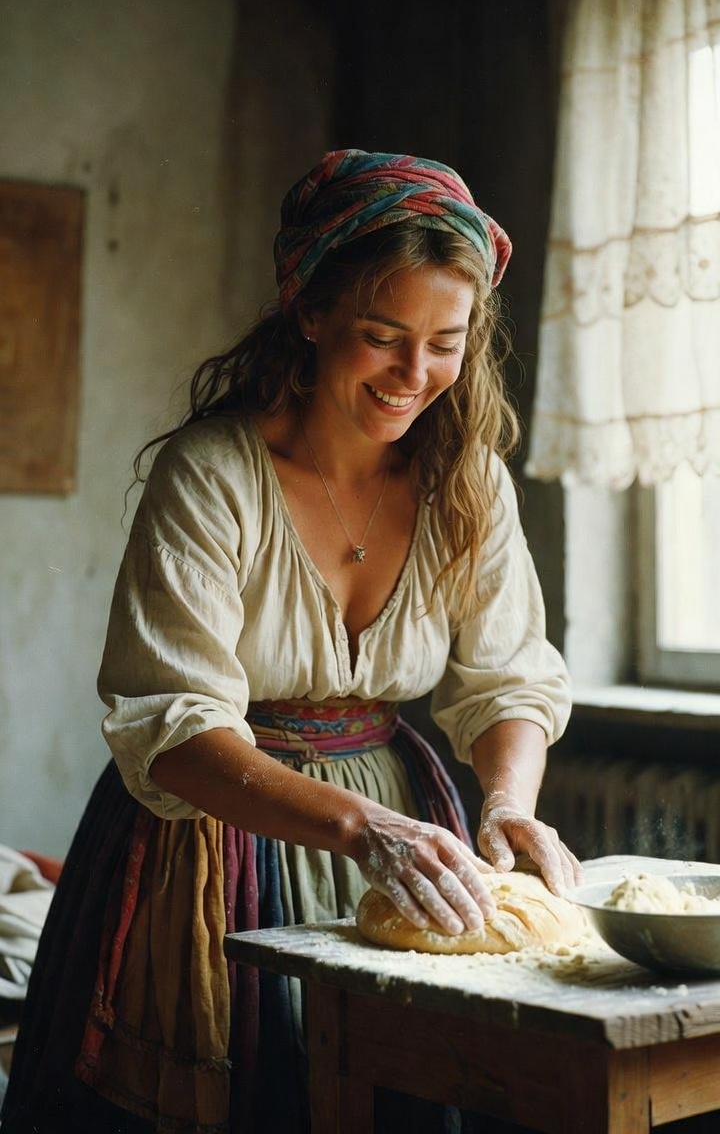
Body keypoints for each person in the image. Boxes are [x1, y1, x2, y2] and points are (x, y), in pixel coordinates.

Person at [1, 149, 580, 1134]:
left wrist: (508, 804)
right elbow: (174, 727)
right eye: (382, 336)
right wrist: (361, 829)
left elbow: (510, 676)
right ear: (308, 310)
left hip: (407, 834)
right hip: (211, 840)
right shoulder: (212, 474)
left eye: (446, 341)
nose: (416, 374)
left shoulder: (468, 481)